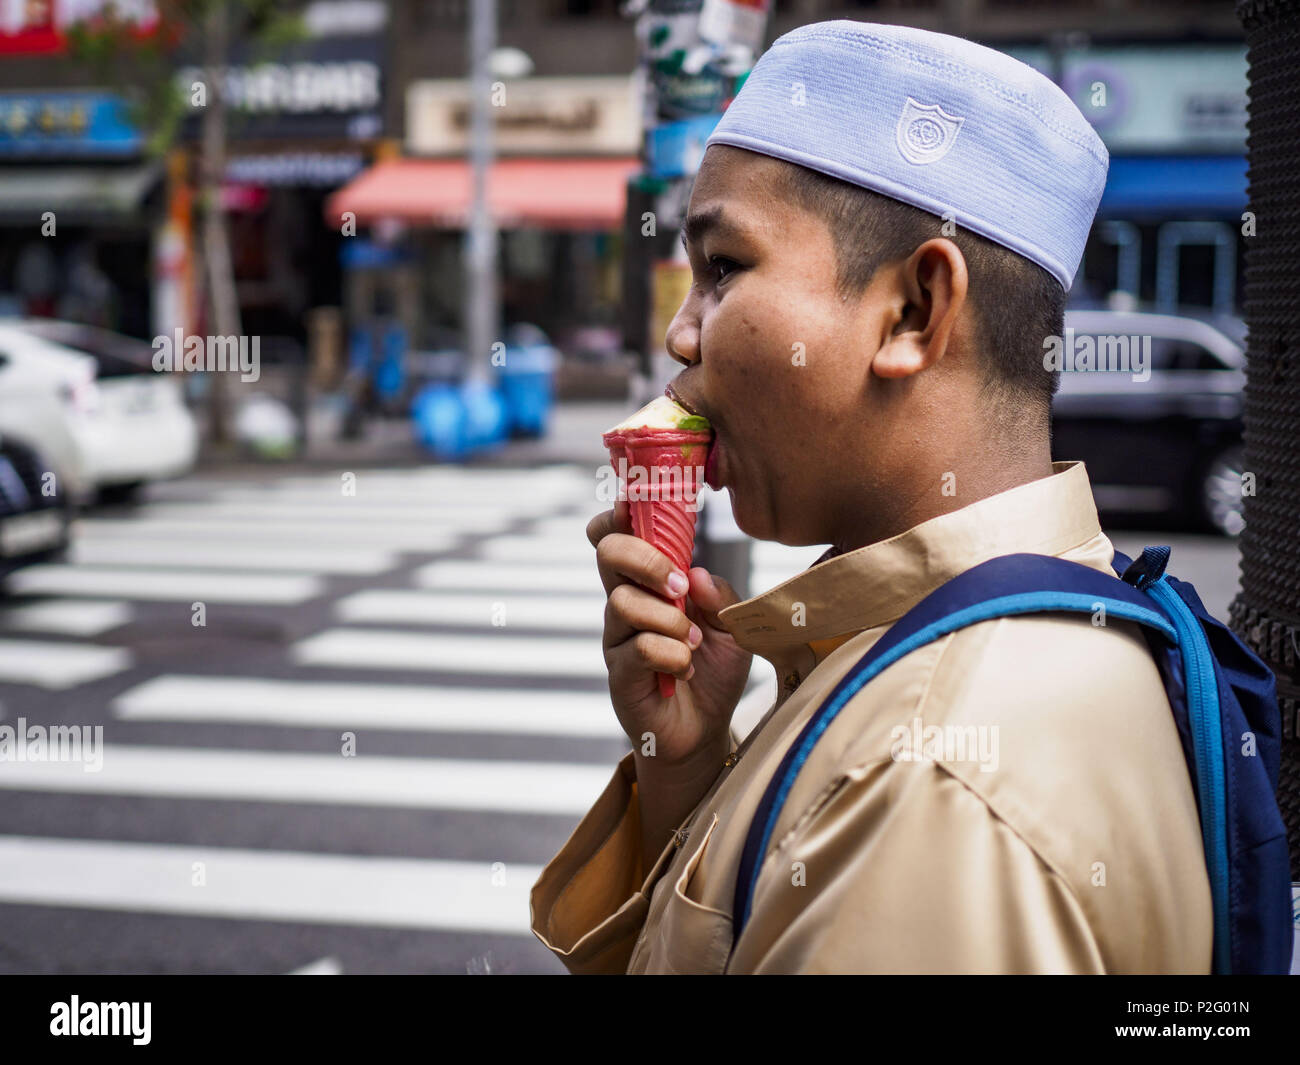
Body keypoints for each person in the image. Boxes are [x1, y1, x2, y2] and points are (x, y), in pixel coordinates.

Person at [530, 20, 1211, 974]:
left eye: (724, 267)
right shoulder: (1022, 622)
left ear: (915, 311)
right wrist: (686, 774)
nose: (684, 336)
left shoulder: (927, 777)